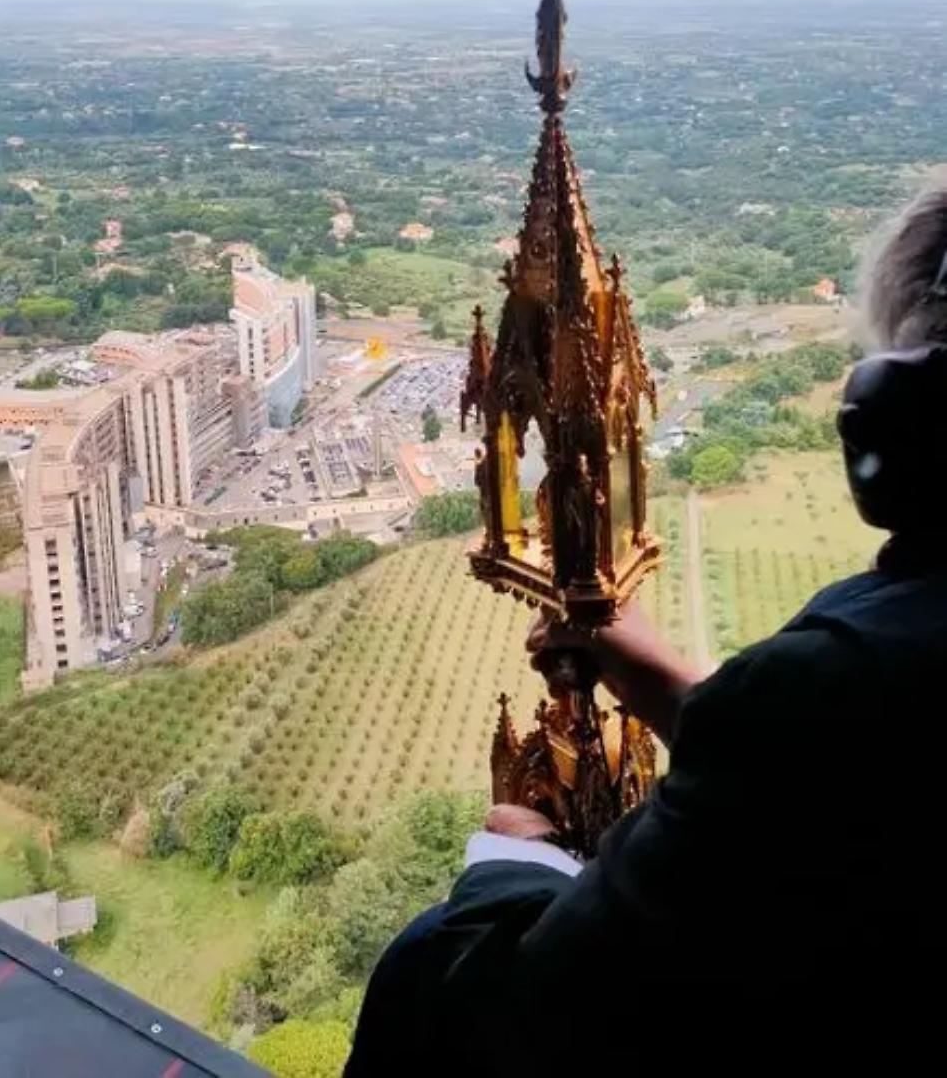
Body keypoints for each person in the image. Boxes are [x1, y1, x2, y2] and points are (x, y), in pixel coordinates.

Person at [344, 183, 947, 1074]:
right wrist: (688, 698)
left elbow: (506, 1019)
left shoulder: (830, 689)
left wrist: (507, 865)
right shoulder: (859, 677)